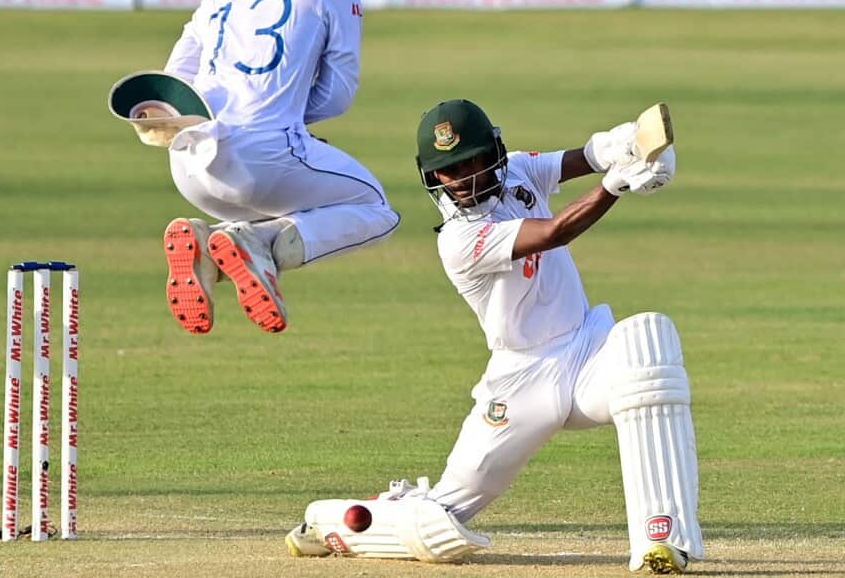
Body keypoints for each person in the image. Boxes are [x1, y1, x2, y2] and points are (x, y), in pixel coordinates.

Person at [285, 100, 702, 574]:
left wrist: (627, 144)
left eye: (470, 162)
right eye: (447, 170)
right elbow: (554, 232)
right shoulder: (459, 240)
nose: (461, 178)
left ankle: (662, 541)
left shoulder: (521, 171)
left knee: (649, 343)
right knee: (440, 524)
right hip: (520, 380)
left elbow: (584, 156)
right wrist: (615, 184)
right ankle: (333, 521)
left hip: (586, 348)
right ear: (431, 175)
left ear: (494, 155)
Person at [156, 0, 399, 334]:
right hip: (264, 155)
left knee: (270, 205)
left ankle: (209, 245)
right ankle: (253, 241)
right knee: (377, 208)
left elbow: (172, 87)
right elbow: (338, 94)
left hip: (188, 166)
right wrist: (284, 117)